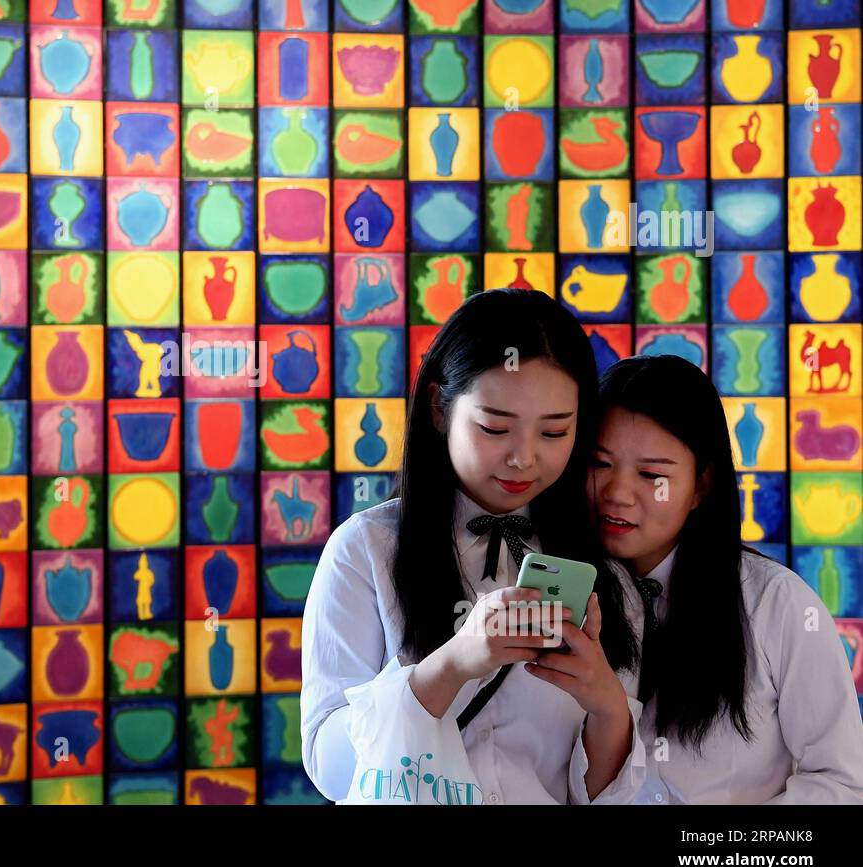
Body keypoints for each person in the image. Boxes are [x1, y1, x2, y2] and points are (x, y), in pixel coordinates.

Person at [301, 289, 644, 803]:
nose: (523, 459)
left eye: (554, 433)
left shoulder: (600, 570)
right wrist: (452, 665)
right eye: (495, 428)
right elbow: (329, 768)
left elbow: (605, 795)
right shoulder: (365, 549)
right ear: (440, 408)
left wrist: (608, 707)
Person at [590, 354, 863, 803]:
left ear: (700, 485)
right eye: (599, 464)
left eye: (651, 475)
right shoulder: (557, 592)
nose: (616, 493)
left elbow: (840, 780)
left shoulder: (777, 604)